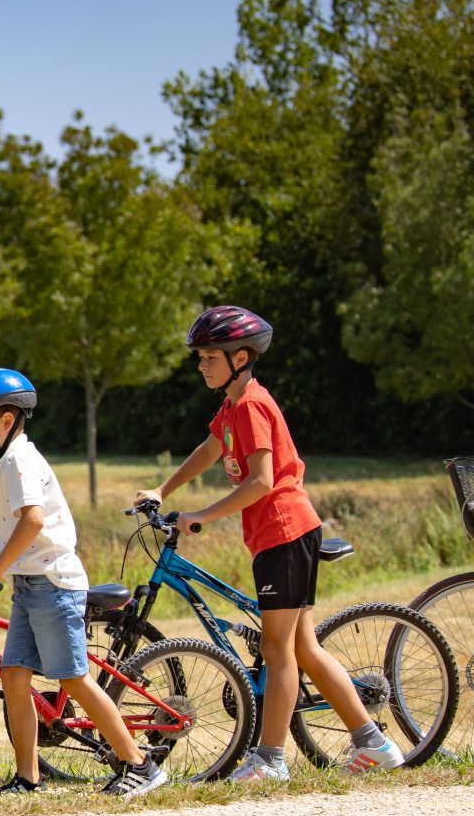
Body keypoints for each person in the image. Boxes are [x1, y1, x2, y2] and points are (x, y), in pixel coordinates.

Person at [136, 306, 404, 779]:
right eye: (199, 357)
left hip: (284, 531)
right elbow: (211, 447)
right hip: (279, 535)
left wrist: (201, 516)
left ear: (240, 357)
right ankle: (373, 743)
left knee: (280, 650)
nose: (201, 364)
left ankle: (269, 759)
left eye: (208, 357)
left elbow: (261, 481)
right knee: (301, 648)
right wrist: (164, 489)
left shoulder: (253, 405)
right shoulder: (234, 405)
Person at [0, 369, 168, 798]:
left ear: (6, 421)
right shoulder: (6, 463)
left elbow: (32, 520)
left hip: (54, 584)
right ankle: (27, 776)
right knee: (15, 677)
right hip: (31, 587)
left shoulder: (21, 459)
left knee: (73, 679)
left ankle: (141, 766)